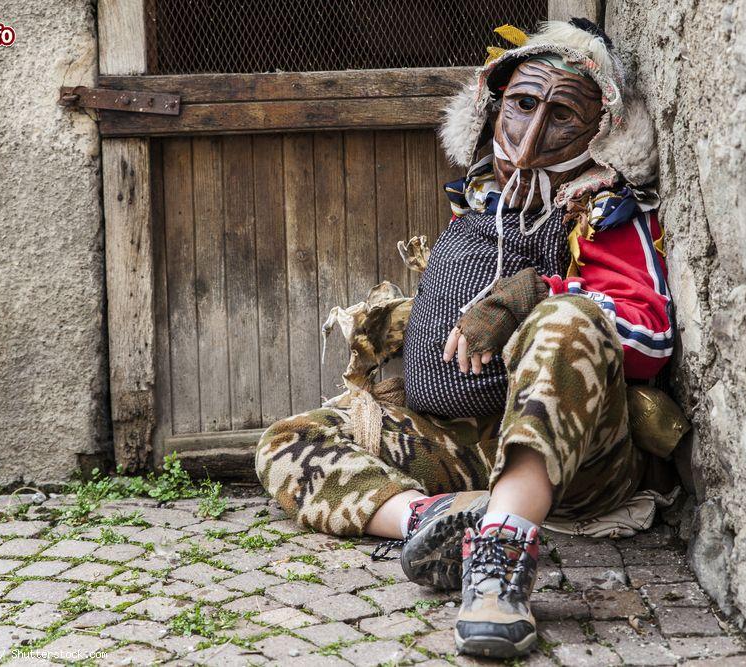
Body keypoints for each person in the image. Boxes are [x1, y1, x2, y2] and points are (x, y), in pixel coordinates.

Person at [256, 18, 674, 658]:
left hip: (582, 461)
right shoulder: (483, 202)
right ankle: (438, 519)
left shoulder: (606, 211)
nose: (531, 134)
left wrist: (536, 296)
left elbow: (651, 341)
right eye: (522, 105)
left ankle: (499, 569)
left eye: (560, 115)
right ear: (493, 103)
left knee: (569, 322)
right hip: (467, 444)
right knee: (290, 441)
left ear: (600, 127)